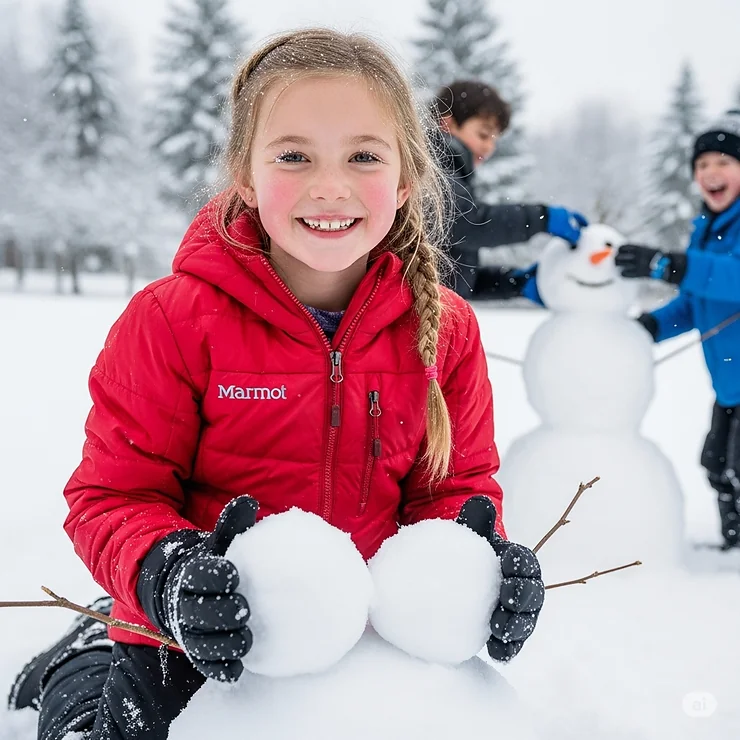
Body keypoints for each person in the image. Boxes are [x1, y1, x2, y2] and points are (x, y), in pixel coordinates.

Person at [7, 28, 545, 740]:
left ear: (407, 178)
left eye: (363, 156)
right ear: (245, 173)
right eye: (294, 156)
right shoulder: (172, 320)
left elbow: (455, 486)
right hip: (197, 633)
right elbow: (113, 495)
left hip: (362, 626)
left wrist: (478, 564)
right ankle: (82, 658)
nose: (330, 185)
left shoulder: (446, 329)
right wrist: (170, 576)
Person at [612, 109, 740, 550]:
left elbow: (734, 277)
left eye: (723, 162)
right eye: (703, 165)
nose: (711, 172)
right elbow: (697, 303)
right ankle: (733, 546)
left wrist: (672, 265)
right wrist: (649, 327)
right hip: (729, 384)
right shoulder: (705, 231)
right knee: (717, 462)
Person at [431, 79, 588, 298]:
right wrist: (541, 218)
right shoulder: (429, 163)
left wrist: (515, 282)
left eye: (495, 140)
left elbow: (454, 278)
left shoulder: (453, 172)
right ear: (447, 124)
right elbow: (465, 223)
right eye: (483, 135)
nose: (489, 147)